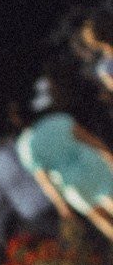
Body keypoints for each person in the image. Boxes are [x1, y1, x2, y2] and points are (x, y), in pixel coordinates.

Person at [18, 88, 113, 244]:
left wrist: (62, 206)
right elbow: (91, 139)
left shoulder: (26, 144)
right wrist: (109, 155)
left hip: (71, 182)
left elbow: (44, 179)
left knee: (99, 217)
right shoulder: (59, 119)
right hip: (92, 164)